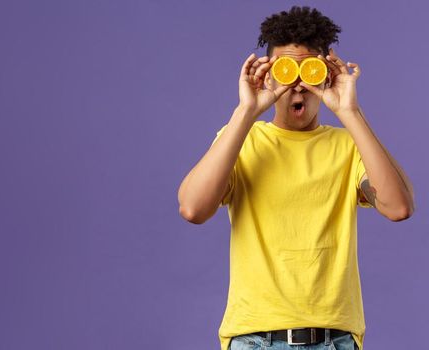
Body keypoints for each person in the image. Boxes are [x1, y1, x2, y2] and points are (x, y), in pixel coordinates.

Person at [177, 6, 415, 350]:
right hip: (254, 338)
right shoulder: (242, 141)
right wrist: (245, 112)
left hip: (334, 339)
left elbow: (398, 207)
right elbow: (192, 208)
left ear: (326, 76)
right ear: (269, 76)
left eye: (310, 73)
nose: (298, 88)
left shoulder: (348, 147)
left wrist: (350, 112)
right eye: (287, 73)